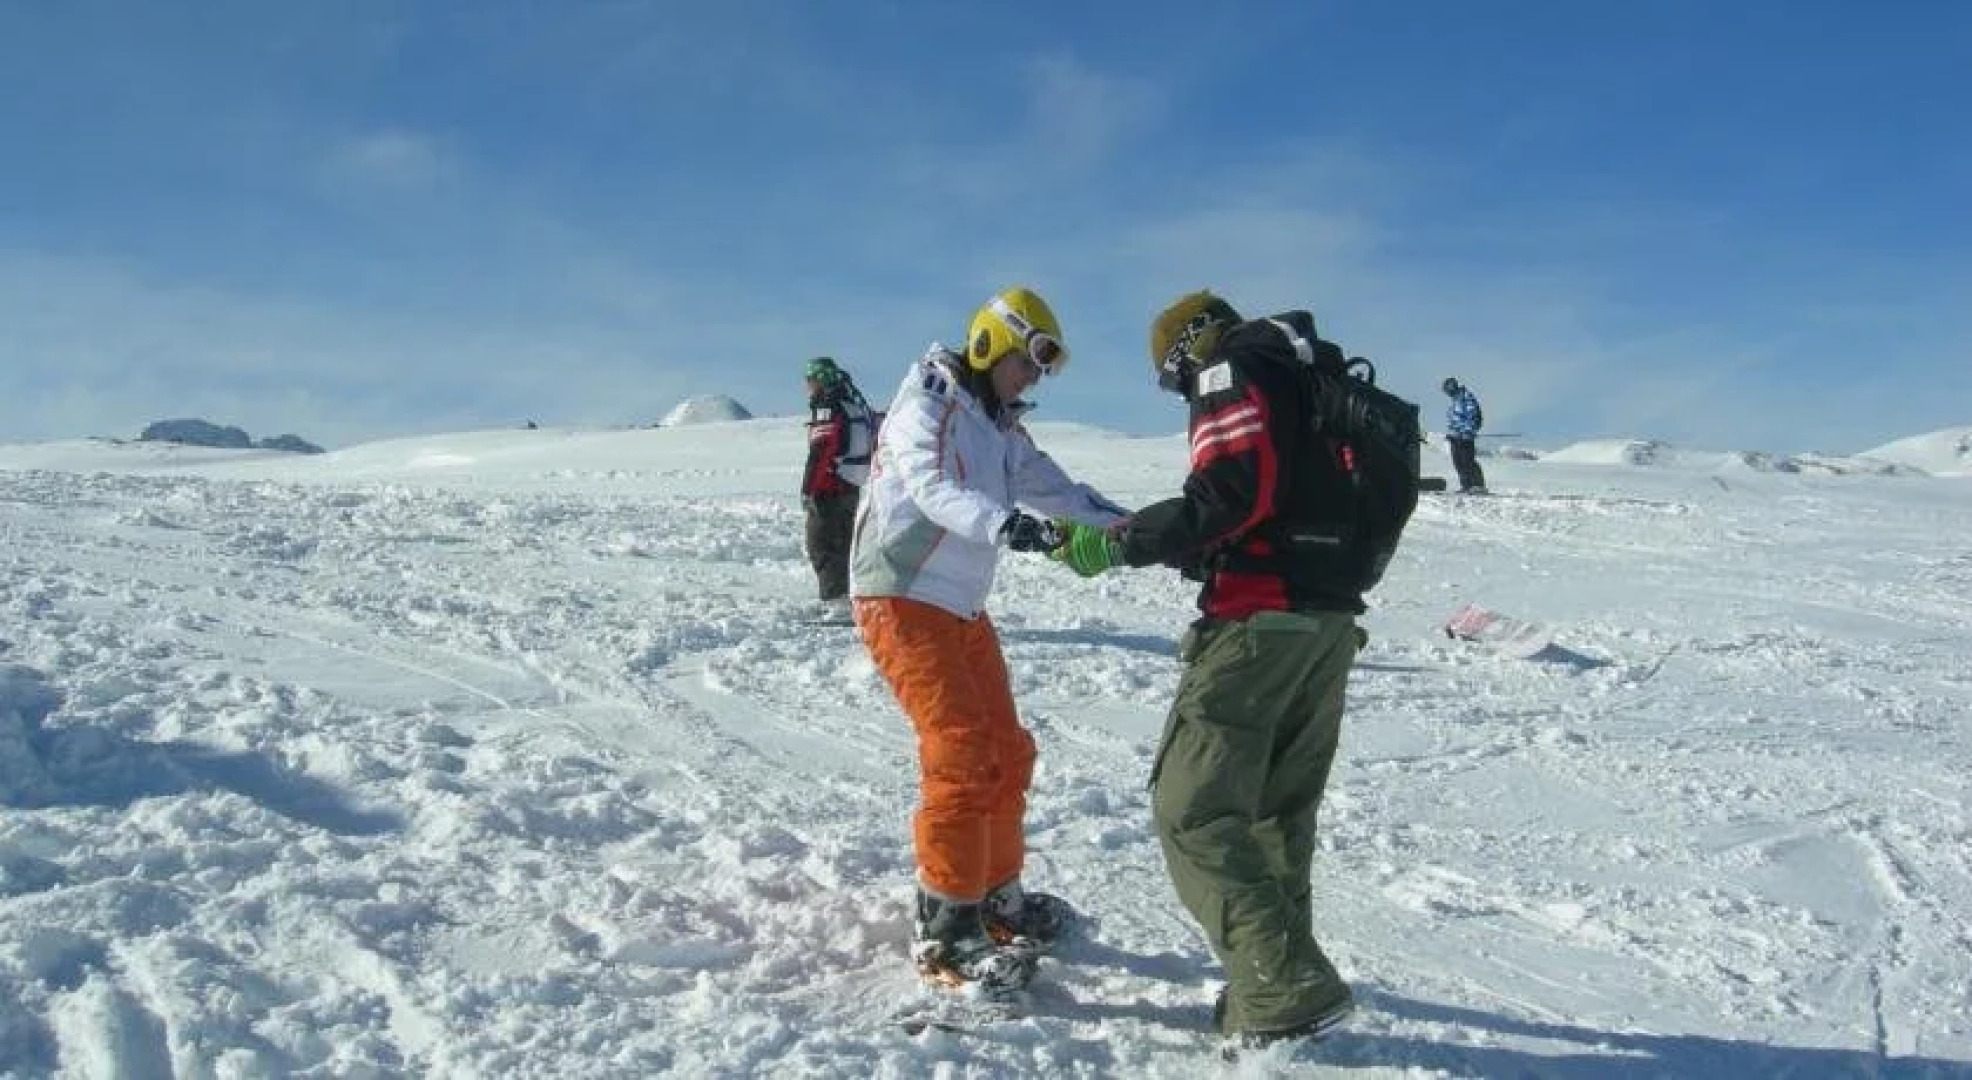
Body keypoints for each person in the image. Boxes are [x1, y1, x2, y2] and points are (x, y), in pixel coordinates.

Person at [1050, 291, 1364, 1048]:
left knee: (1192, 808)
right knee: (1275, 815)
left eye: (1172, 378)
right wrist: (1195, 550)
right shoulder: (1306, 380)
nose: (1180, 391)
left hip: (1259, 626)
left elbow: (1230, 491)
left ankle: (1283, 985)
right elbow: (1268, 504)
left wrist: (1119, 542)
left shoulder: (1230, 365)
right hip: (1326, 624)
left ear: (1188, 345)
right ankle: (1274, 987)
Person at [849, 286, 1129, 994]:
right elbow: (931, 485)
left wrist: (1137, 530)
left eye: (1043, 368)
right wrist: (1005, 524)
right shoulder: (928, 405)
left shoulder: (1001, 428)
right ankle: (947, 928)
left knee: (1005, 749)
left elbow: (1061, 492)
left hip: (960, 605)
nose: (1033, 378)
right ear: (990, 343)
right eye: (1029, 361)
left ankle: (997, 900)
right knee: (961, 750)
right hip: (900, 592)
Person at [800, 356, 874, 620]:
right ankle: (848, 598)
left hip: (829, 487)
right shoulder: (851, 403)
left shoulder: (827, 407)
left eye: (810, 380)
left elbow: (822, 450)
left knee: (821, 542)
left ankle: (837, 601)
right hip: (851, 486)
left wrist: (808, 488)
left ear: (820, 380)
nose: (807, 386)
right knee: (844, 543)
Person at [1441, 376, 1487, 494]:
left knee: (1467, 460)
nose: (1446, 392)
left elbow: (1472, 414)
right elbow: (1455, 420)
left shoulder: (1466, 397)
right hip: (1455, 436)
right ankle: (1466, 485)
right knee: (1458, 461)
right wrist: (1451, 433)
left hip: (1465, 436)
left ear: (1452, 387)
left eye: (1447, 389)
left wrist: (1467, 431)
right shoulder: (1455, 401)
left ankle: (1477, 485)